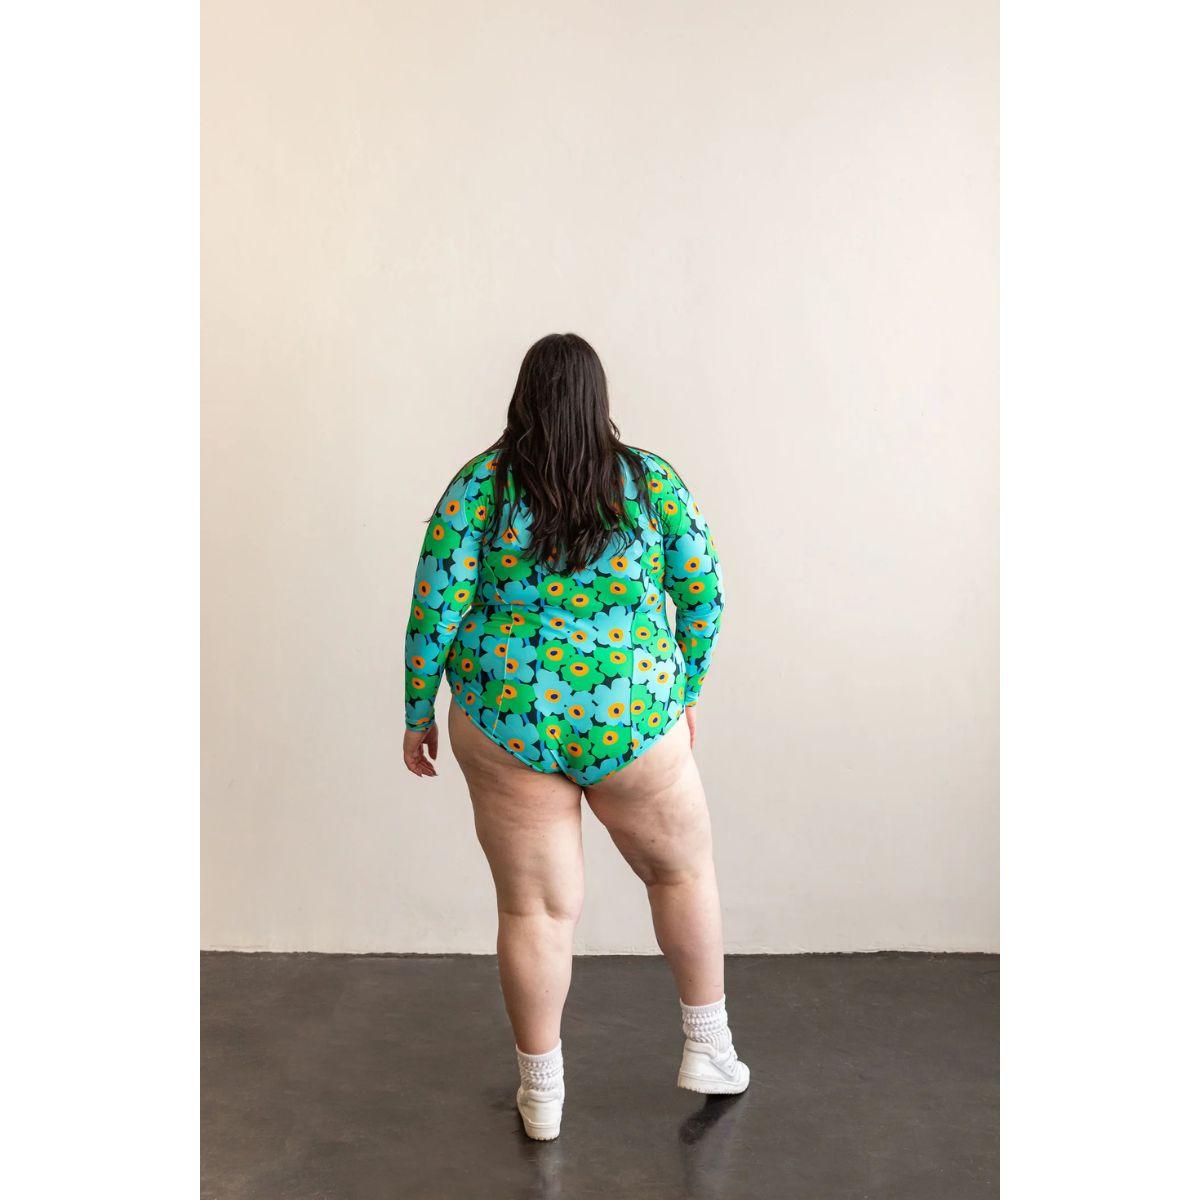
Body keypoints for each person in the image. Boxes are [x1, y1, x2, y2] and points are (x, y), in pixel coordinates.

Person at [401, 333, 749, 1140]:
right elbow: (704, 595)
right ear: (598, 399)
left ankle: (543, 1094)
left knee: (534, 912)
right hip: (633, 717)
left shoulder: (479, 488)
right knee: (681, 875)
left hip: (507, 718)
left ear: (523, 396)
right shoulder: (650, 483)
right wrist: (684, 690)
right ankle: (708, 1048)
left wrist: (418, 712)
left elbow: (434, 609)